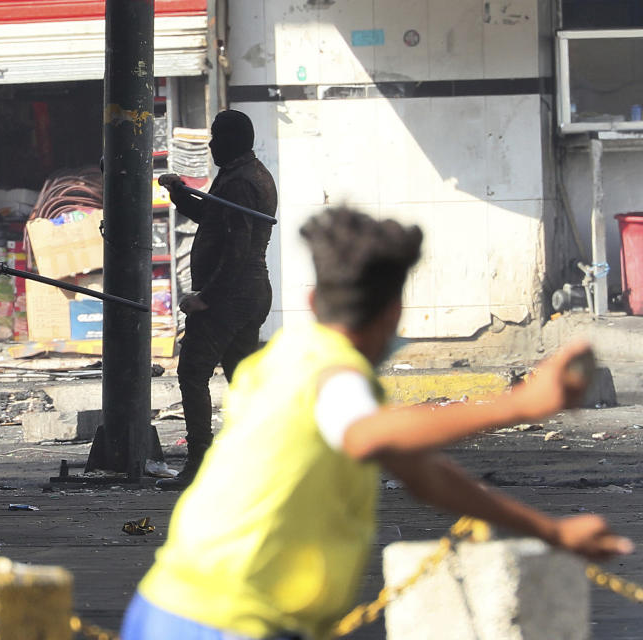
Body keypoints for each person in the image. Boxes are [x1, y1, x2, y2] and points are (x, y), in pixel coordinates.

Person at [122, 208, 634, 640]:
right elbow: (367, 433)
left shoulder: (281, 359)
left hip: (169, 602)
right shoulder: (332, 372)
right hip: (228, 622)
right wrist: (523, 404)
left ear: (313, 302)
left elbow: (427, 474)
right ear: (394, 313)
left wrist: (550, 531)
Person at [156, 109, 278, 490]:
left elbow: (237, 248)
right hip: (248, 293)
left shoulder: (242, 181)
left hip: (233, 295)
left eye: (215, 137)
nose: (210, 144)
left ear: (232, 140)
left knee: (192, 373)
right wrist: (178, 191)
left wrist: (206, 297)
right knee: (241, 379)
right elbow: (209, 215)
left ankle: (200, 464)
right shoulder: (243, 174)